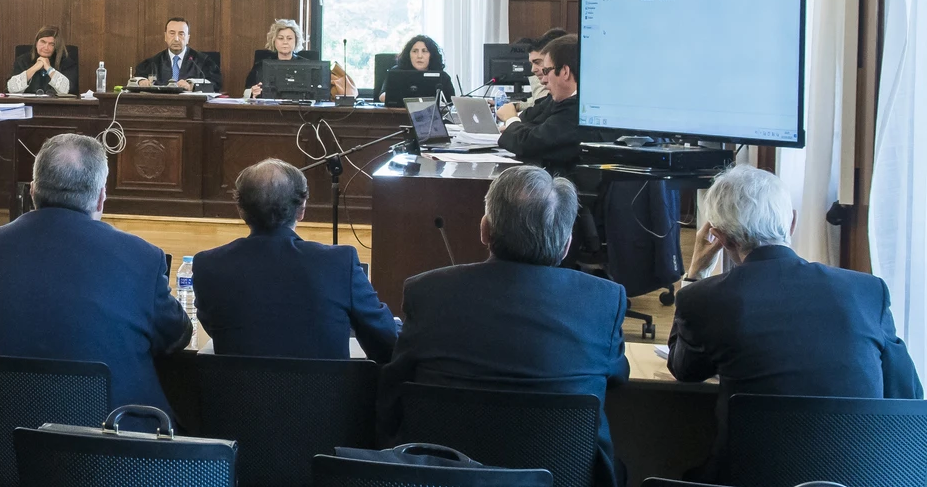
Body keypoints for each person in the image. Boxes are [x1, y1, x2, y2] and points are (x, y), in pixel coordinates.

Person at [378, 165, 628, 487]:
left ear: (484, 230)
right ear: (567, 244)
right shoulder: (604, 300)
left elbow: (393, 384)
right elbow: (618, 376)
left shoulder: (427, 293)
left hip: (443, 478)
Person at [668, 166, 920, 452]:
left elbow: (685, 369)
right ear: (792, 223)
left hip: (750, 476)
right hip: (860, 475)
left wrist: (694, 277)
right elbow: (907, 393)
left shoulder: (704, 299)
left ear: (720, 238)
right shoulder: (867, 291)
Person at [0, 134, 191, 418]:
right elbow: (176, 336)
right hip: (114, 448)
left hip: (2, 439)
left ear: (32, 191)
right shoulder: (142, 257)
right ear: (101, 198)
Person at [194, 159, 396, 361]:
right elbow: (385, 340)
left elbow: (217, 329)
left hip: (237, 391)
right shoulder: (340, 262)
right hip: (326, 392)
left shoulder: (208, 265)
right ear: (302, 209)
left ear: (241, 210)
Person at [499, 34, 585, 168]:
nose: (543, 80)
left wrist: (511, 119)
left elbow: (530, 143)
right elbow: (533, 124)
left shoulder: (577, 109)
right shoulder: (558, 99)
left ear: (565, 72)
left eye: (546, 71)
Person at [133, 17, 223, 93]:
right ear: (165, 36)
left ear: (188, 38)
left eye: (181, 34)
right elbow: (136, 79)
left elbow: (215, 84)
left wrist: (192, 86)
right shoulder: (153, 62)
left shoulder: (202, 62)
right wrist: (141, 82)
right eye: (172, 33)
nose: (176, 39)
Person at [245, 18, 315, 97]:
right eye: (281, 38)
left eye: (289, 38)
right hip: (268, 108)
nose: (285, 42)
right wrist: (252, 92)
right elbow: (246, 92)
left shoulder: (307, 66)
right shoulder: (260, 66)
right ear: (274, 41)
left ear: (296, 41)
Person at [378, 34, 448, 102]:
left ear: (431, 55)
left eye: (424, 51)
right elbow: (383, 96)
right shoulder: (396, 72)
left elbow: (451, 103)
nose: (419, 56)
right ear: (409, 55)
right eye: (415, 51)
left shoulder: (442, 76)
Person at [7, 27, 74, 96]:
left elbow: (68, 90)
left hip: (57, 105)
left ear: (57, 47)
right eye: (43, 42)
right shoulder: (22, 60)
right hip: (27, 104)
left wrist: (48, 68)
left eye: (52, 44)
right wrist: (35, 67)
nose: (46, 47)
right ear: (36, 43)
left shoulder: (66, 62)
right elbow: (11, 89)